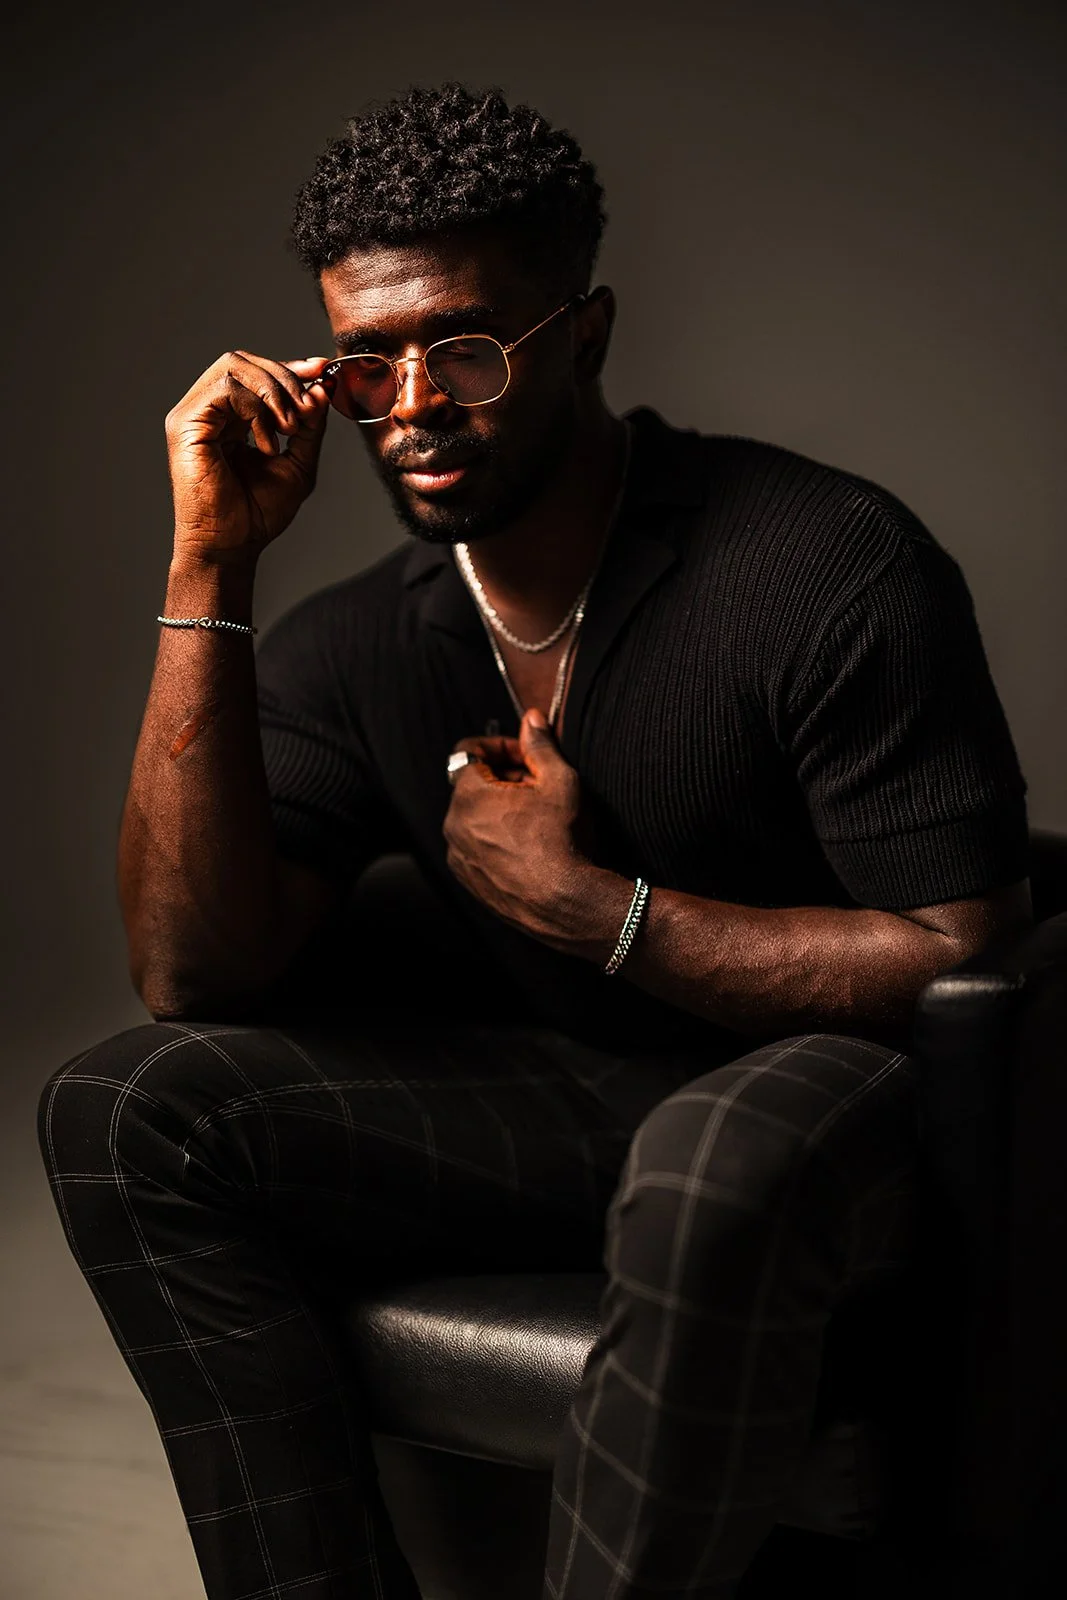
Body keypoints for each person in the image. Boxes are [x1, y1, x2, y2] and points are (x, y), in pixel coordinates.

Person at [38, 82, 1032, 1600]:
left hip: (834, 1102)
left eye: (467, 347)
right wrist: (208, 561)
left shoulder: (826, 562)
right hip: (574, 1099)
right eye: (365, 363)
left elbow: (963, 958)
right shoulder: (355, 646)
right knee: (124, 1106)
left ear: (587, 334)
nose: (413, 404)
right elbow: (192, 969)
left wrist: (597, 911)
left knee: (706, 1163)